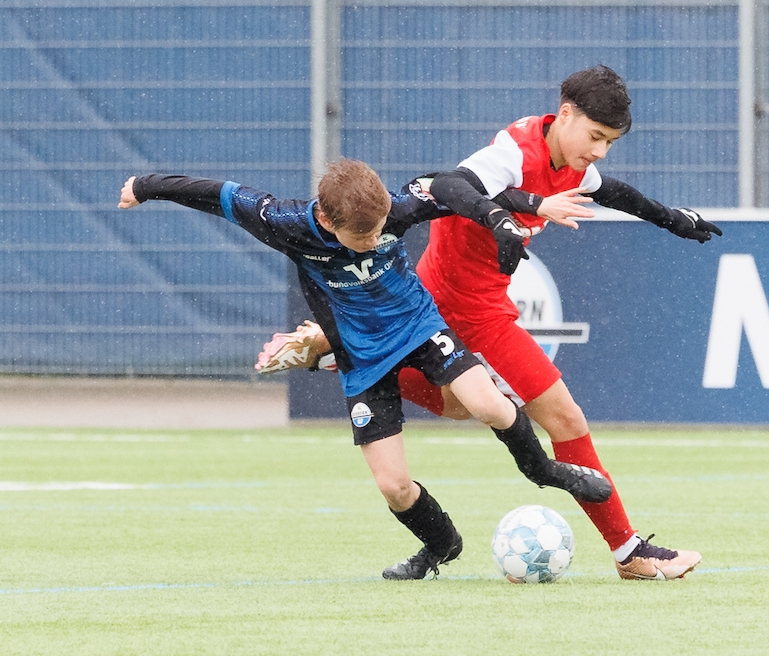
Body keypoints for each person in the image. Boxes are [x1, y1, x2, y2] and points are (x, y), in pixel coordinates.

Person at [261, 65, 721, 581]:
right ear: (564, 114)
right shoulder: (514, 151)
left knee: (463, 407)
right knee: (565, 419)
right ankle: (629, 552)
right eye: (596, 136)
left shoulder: (571, 163)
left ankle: (334, 353)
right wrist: (518, 210)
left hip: (468, 304)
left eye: (610, 142)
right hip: (463, 309)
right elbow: (451, 185)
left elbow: (613, 191)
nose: (600, 151)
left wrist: (671, 219)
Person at [117, 158, 612, 581]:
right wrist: (146, 186)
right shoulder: (284, 222)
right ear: (326, 220)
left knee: (489, 404)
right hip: (362, 357)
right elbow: (216, 194)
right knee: (393, 487)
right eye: (364, 235)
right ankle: (440, 543)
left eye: (380, 230)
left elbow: (453, 185)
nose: (376, 239)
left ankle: (544, 470)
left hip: (419, 326)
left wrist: (510, 212)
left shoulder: (394, 208)